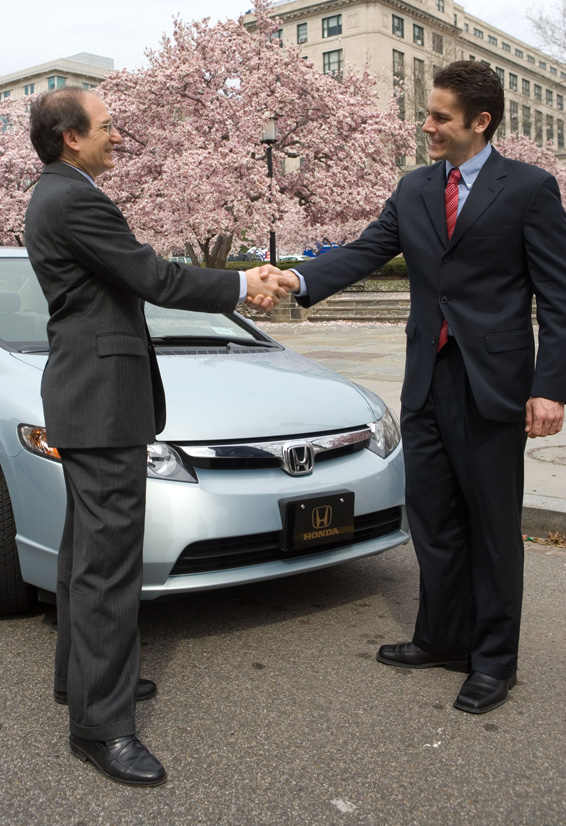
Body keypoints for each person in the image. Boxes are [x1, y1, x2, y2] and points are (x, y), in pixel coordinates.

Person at [278, 61, 566, 714]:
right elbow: (363, 251)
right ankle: (441, 638)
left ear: (480, 121)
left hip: (492, 385)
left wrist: (550, 387)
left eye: (439, 116)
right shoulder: (412, 189)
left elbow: (558, 295)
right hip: (427, 381)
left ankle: (493, 661)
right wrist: (298, 281)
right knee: (433, 520)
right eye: (428, 113)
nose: (426, 125)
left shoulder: (530, 189)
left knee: (492, 529)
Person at [25, 87, 293, 786]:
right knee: (108, 563)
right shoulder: (74, 198)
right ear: (70, 137)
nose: (120, 136)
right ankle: (102, 727)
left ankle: (83, 683)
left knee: (84, 550)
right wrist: (243, 285)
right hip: (103, 403)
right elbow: (153, 277)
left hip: (86, 396)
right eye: (108, 127)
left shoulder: (54, 192)